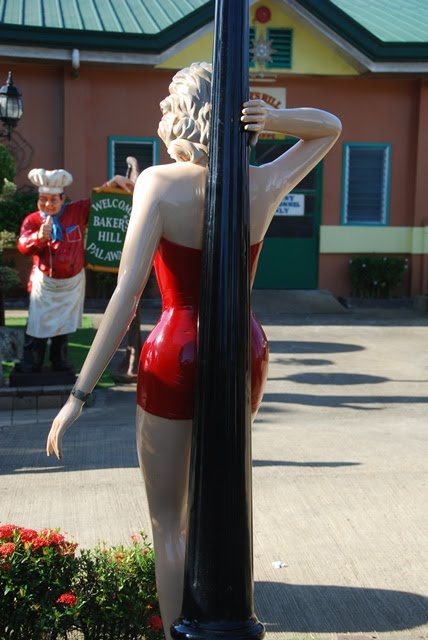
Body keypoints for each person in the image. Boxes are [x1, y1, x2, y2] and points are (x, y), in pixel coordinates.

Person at [46, 62, 341, 637]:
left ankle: (180, 631)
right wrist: (275, 120)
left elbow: (125, 297)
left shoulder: (159, 183)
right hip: (243, 348)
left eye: (168, 103)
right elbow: (329, 127)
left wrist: (78, 394)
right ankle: (225, 615)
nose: (160, 112)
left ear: (187, 113)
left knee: (168, 521)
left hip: (175, 352)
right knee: (223, 500)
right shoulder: (260, 182)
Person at [15, 169, 134, 373]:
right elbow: (23, 245)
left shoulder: (76, 212)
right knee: (37, 324)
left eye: (53, 199)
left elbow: (98, 201)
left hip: (71, 283)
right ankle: (32, 361)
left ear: (63, 199)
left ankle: (59, 360)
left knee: (64, 325)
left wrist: (114, 182)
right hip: (45, 283)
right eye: (43, 199)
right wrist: (38, 238)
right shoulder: (32, 220)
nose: (48, 204)